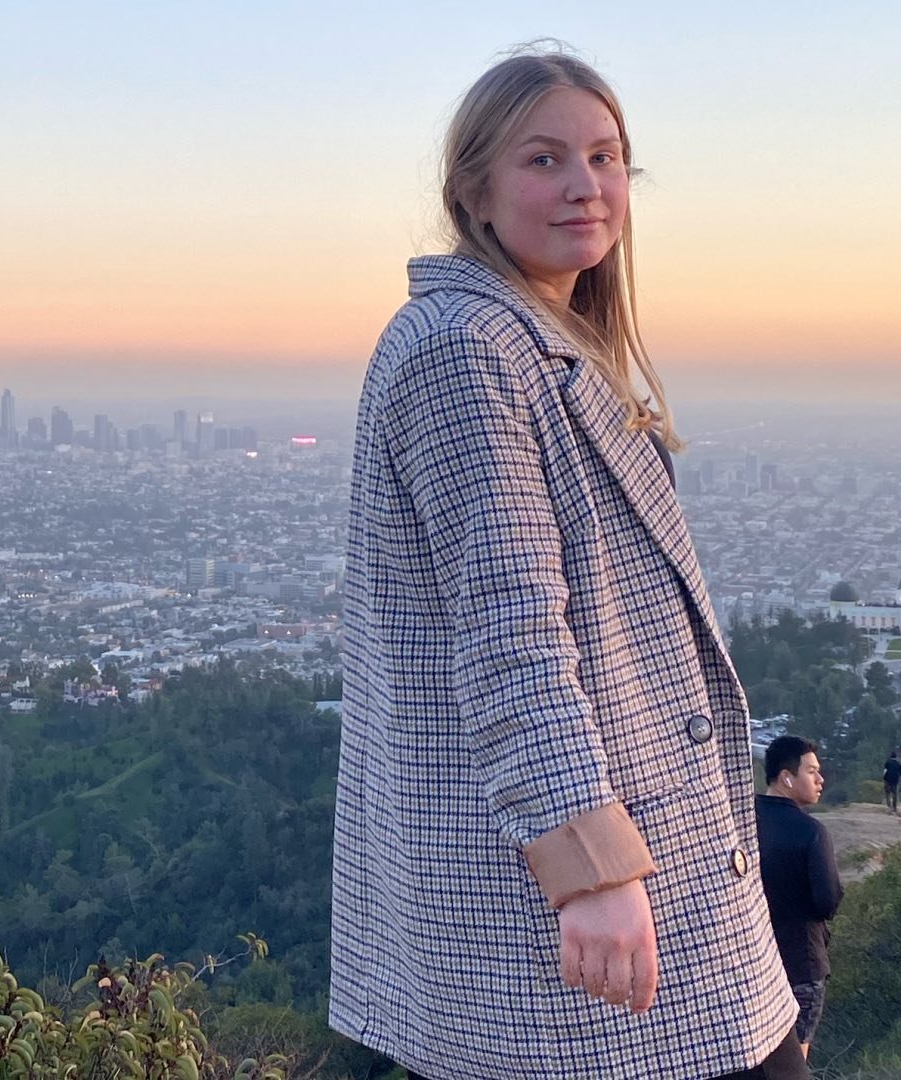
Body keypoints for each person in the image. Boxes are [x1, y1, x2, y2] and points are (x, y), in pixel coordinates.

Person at [330, 44, 807, 1080]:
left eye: (605, 157)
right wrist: (590, 872)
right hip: (574, 905)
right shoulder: (467, 347)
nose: (586, 185)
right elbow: (512, 635)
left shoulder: (538, 341)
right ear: (474, 192)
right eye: (543, 159)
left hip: (643, 873)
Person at [756, 736, 844, 1059]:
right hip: (800, 963)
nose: (821, 780)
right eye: (811, 771)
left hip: (750, 963)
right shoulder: (811, 831)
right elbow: (827, 902)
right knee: (793, 1062)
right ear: (786, 778)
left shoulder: (740, 821)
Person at [883, 749, 900, 813]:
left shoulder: (887, 762)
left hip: (887, 779)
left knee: (888, 793)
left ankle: (889, 807)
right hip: (895, 780)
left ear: (890, 756)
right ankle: (894, 807)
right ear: (896, 757)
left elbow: (885, 771)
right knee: (894, 793)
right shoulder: (898, 764)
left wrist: (884, 778)